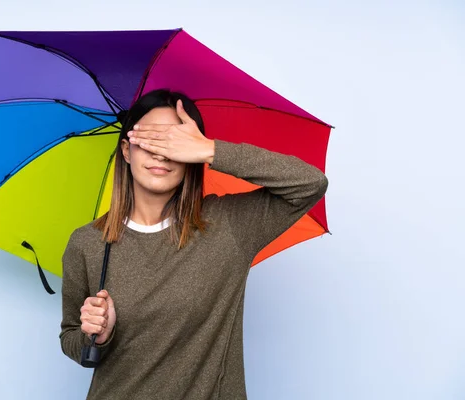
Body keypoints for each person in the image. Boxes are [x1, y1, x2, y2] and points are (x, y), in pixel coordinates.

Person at [59, 89, 328, 399]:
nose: (161, 154)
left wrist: (211, 150)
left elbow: (310, 184)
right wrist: (96, 336)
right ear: (127, 150)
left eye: (174, 142)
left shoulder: (229, 226)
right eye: (150, 140)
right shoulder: (88, 243)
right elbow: (71, 339)